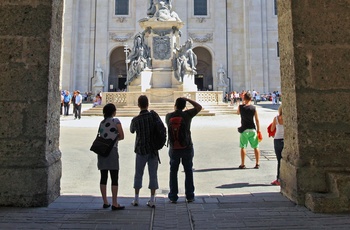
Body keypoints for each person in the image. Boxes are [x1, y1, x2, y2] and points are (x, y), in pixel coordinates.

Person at [165, 97, 202, 203]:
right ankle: (189, 195)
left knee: (173, 172)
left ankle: (173, 196)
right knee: (188, 171)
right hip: (187, 146)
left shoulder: (168, 116)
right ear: (184, 106)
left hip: (173, 147)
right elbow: (199, 107)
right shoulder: (187, 115)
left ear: (175, 105)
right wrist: (188, 99)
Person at [130, 95, 162, 208]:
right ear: (148, 104)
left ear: (138, 105)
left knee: (138, 174)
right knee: (153, 175)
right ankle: (152, 199)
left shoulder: (135, 120)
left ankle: (136, 199)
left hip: (140, 149)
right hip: (153, 150)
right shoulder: (153, 117)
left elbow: (132, 130)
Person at [97, 103, 125, 210]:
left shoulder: (102, 122)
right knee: (114, 177)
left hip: (102, 151)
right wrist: (115, 137)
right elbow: (122, 136)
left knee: (103, 177)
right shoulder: (116, 121)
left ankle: (105, 202)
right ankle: (114, 203)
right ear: (113, 112)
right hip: (112, 151)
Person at [237, 92, 261, 169]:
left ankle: (243, 164)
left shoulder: (241, 107)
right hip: (252, 129)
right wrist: (258, 130)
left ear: (244, 98)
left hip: (244, 130)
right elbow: (257, 120)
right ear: (251, 99)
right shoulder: (254, 108)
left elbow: (237, 113)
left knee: (243, 147)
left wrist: (242, 102)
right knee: (256, 146)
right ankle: (257, 163)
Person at [270, 105, 284, 185]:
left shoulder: (276, 118)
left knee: (279, 160)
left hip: (277, 140)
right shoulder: (288, 119)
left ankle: (278, 179)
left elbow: (272, 129)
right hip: (285, 140)